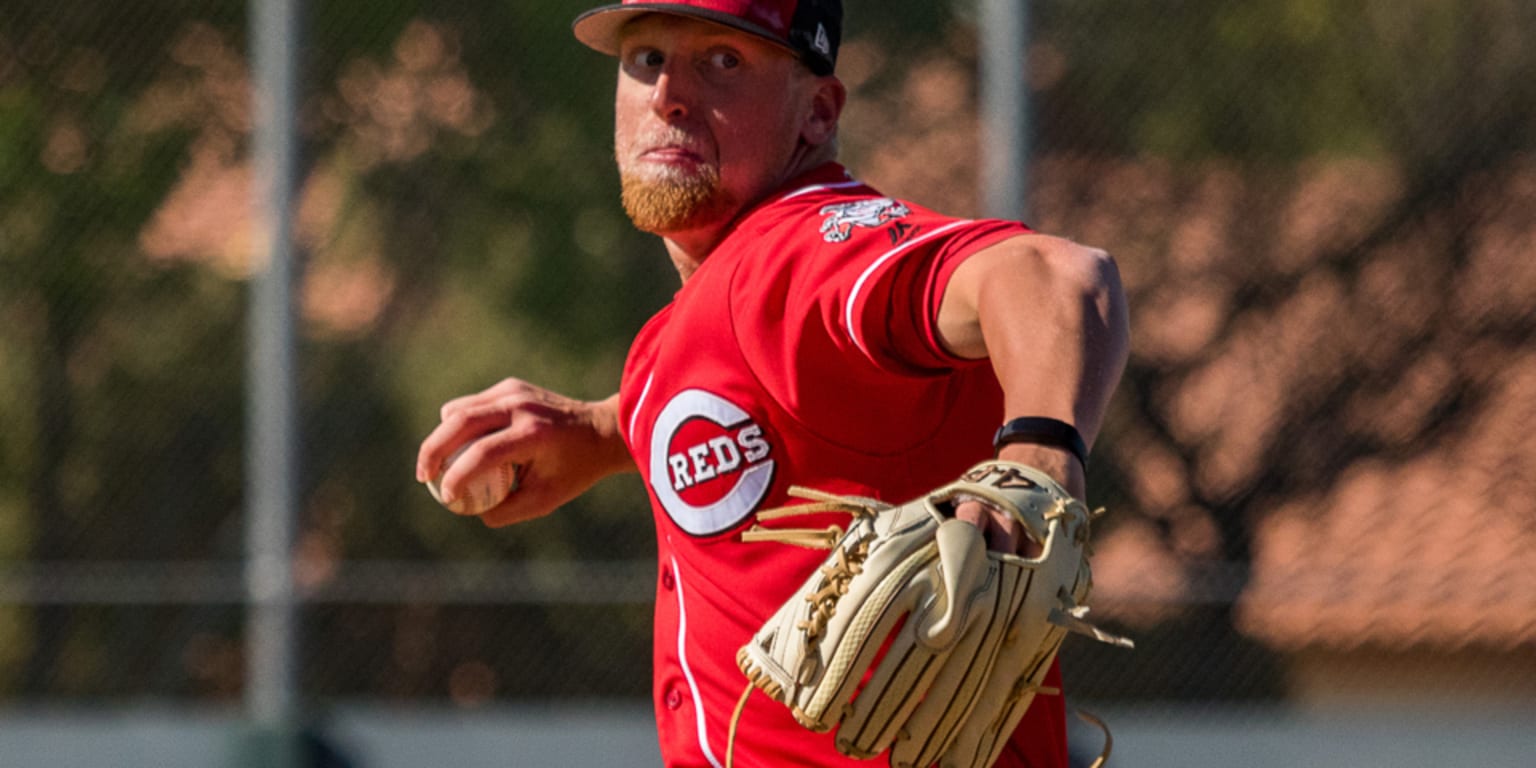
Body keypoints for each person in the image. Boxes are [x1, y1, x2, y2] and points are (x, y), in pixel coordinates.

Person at [416, 1, 1129, 765]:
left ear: (817, 112)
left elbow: (1057, 275)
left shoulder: (807, 251)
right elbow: (781, 398)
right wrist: (608, 431)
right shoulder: (694, 321)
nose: (669, 96)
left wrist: (1039, 455)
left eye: (722, 61)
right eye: (647, 58)